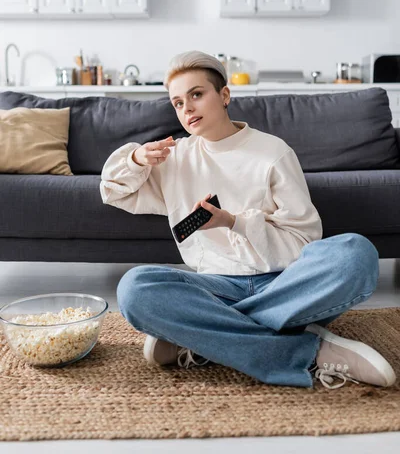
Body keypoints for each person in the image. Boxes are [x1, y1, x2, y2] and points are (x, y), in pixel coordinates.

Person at [100, 51, 396, 389]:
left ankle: (206, 336)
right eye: (178, 103)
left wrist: (234, 222)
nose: (188, 109)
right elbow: (114, 192)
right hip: (215, 289)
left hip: (284, 283)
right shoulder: (175, 158)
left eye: (197, 94)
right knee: (135, 289)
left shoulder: (273, 153)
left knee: (355, 254)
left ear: (224, 95)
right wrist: (136, 158)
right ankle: (308, 350)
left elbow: (304, 243)